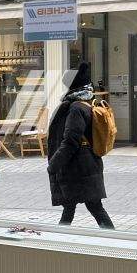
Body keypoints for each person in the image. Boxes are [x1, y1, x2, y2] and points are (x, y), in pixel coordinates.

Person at [46, 63, 115, 229]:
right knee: (75, 206)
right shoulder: (87, 102)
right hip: (87, 164)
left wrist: (54, 164)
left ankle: (113, 237)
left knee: (92, 207)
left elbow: (71, 141)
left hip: (79, 168)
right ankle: (61, 236)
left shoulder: (75, 108)